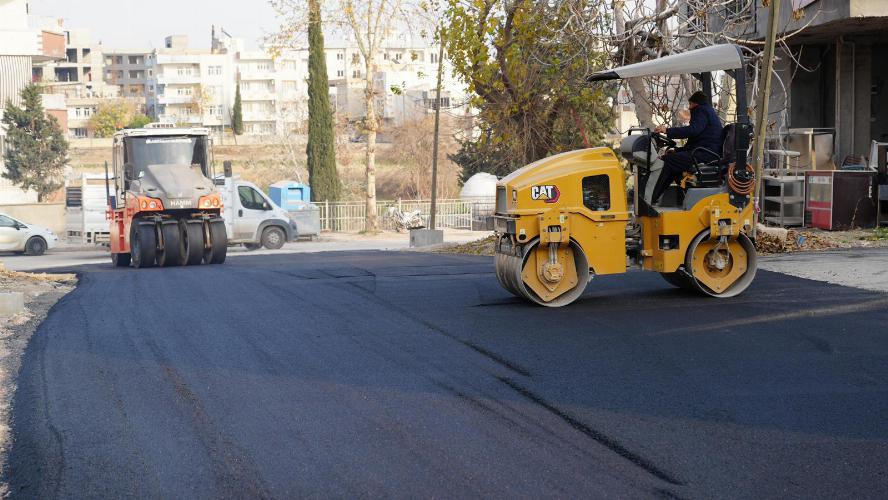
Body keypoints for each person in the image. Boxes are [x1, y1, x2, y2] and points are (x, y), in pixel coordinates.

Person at [650, 91, 723, 205]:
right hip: (706, 151)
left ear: (695, 103)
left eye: (690, 105)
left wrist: (667, 130)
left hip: (705, 154)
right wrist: (678, 150)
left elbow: (692, 131)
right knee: (672, 161)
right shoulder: (708, 111)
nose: (689, 108)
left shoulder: (701, 110)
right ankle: (655, 197)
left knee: (670, 161)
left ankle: (651, 196)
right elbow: (695, 141)